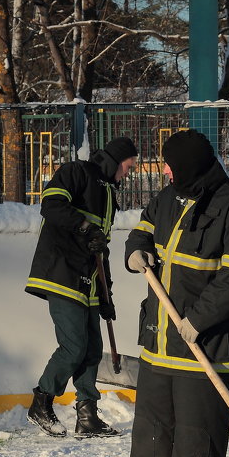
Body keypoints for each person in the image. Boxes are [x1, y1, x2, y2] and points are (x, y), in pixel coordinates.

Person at [112, 130, 229, 457]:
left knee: (197, 434)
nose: (164, 170)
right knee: (151, 430)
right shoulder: (168, 198)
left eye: (169, 164)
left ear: (187, 166)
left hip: (209, 346)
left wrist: (197, 319)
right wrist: (136, 250)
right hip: (160, 341)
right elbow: (143, 227)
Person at [24, 136, 138, 439]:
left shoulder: (109, 195)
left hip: (87, 282)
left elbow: (101, 249)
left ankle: (87, 416)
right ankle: (41, 402)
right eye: (128, 167)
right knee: (73, 346)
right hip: (62, 272)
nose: (128, 174)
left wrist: (106, 294)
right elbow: (51, 205)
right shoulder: (76, 172)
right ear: (116, 161)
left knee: (90, 349)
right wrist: (86, 228)